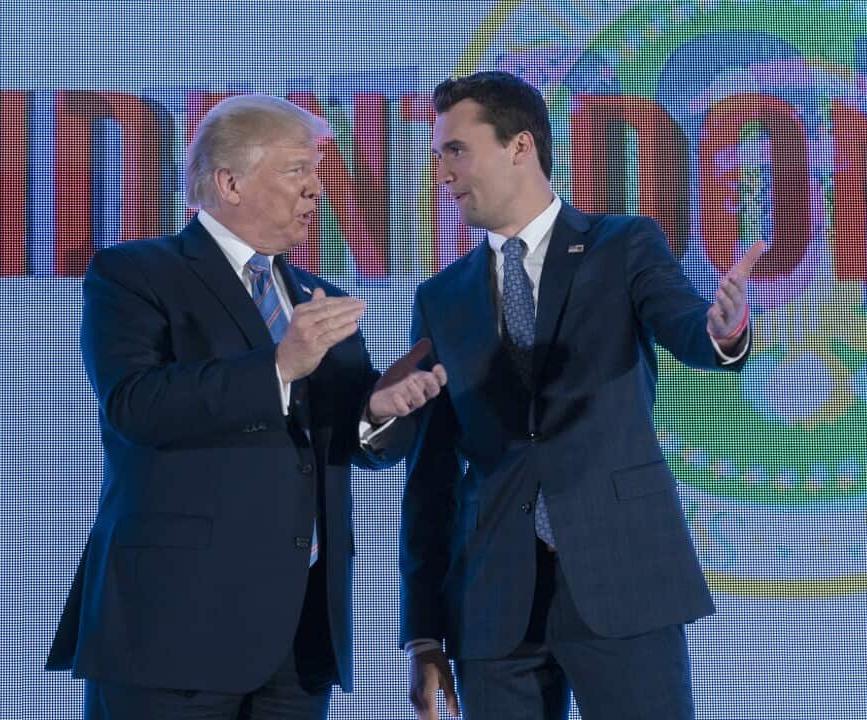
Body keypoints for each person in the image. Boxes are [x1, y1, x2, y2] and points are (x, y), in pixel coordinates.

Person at [46, 94, 447, 720]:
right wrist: (279, 367)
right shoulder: (136, 274)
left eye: (316, 170)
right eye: (297, 170)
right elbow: (136, 406)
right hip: (172, 632)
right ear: (230, 182)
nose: (317, 188)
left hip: (299, 638)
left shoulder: (321, 298)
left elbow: (343, 444)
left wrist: (377, 411)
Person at [400, 71, 765, 720]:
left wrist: (723, 331)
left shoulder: (623, 245)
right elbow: (428, 481)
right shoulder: (440, 298)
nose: (441, 174)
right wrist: (425, 634)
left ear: (520, 147)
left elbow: (689, 327)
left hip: (624, 579)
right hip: (493, 608)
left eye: (455, 150)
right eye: (437, 156)